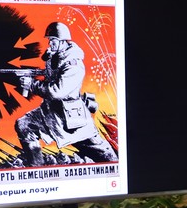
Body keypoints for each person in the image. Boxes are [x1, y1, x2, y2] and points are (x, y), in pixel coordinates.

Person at [14, 21, 117, 166]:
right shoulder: (54, 56)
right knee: (24, 124)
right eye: (49, 40)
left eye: (53, 40)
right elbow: (52, 75)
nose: (50, 44)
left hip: (71, 119)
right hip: (50, 114)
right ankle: (36, 167)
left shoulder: (73, 64)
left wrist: (32, 84)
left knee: (104, 155)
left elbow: (57, 91)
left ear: (62, 41)